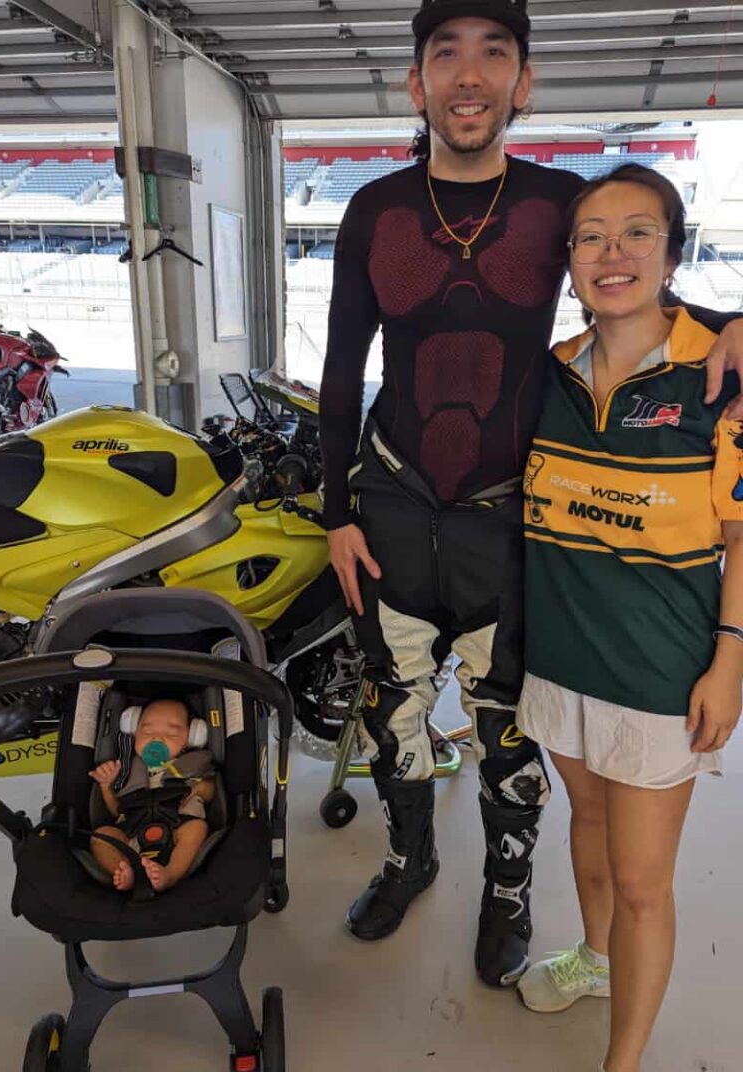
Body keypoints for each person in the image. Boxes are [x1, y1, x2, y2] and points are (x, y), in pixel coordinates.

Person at [318, 0, 743, 988]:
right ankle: (408, 856)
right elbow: (341, 371)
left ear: (525, 83)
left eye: (494, 54)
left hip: (510, 518)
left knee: (508, 725)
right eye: (446, 55)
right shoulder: (374, 210)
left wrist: (731, 321)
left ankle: (505, 895)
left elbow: (636, 281)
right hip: (388, 503)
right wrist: (332, 512)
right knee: (394, 711)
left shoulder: (558, 203)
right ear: (416, 83)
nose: (470, 75)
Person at [515, 164, 743, 1072]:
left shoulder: (717, 376)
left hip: (662, 670)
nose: (614, 255)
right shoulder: (552, 374)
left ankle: (624, 1064)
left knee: (646, 883)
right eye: (591, 237)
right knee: (589, 820)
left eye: (637, 232)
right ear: (568, 262)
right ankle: (596, 958)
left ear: (673, 250)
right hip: (560, 655)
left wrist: (730, 657)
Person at [90, 698, 216, 893]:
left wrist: (200, 789)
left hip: (178, 829)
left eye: (171, 733)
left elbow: (210, 793)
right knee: (101, 836)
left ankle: (170, 874)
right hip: (132, 834)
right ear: (134, 731)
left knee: (197, 829)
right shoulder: (126, 769)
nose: (156, 739)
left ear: (192, 737)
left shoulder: (193, 765)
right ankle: (124, 870)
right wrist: (106, 785)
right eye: (147, 732)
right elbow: (117, 811)